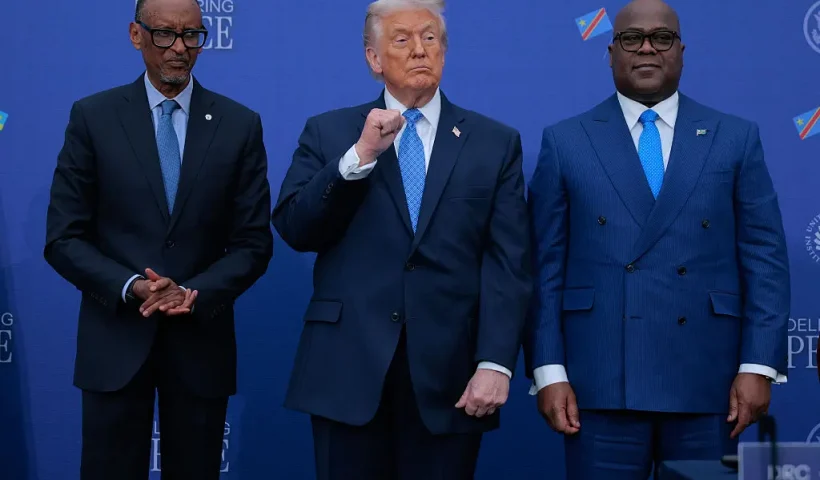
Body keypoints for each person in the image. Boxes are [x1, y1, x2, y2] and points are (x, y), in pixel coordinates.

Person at [525, 0, 790, 478]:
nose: (647, 48)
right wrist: (549, 370)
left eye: (661, 38)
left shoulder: (735, 138)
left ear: (681, 51)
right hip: (598, 381)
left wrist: (758, 366)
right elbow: (544, 268)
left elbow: (765, 260)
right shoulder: (566, 141)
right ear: (610, 52)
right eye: (632, 38)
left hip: (708, 382)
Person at [272, 0, 531, 477]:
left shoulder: (494, 142)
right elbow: (295, 228)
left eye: (430, 38)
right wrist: (359, 156)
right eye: (402, 39)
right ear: (374, 59)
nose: (419, 50)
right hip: (346, 370)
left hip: (450, 377)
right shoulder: (331, 133)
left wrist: (496, 361)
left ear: (445, 52)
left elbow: (509, 263)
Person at [43, 0, 273, 477]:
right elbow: (64, 237)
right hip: (115, 341)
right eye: (165, 34)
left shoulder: (239, 125)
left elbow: (253, 242)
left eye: (192, 36)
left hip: (199, 344)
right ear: (136, 35)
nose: (179, 48)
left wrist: (195, 293)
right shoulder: (93, 117)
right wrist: (131, 286)